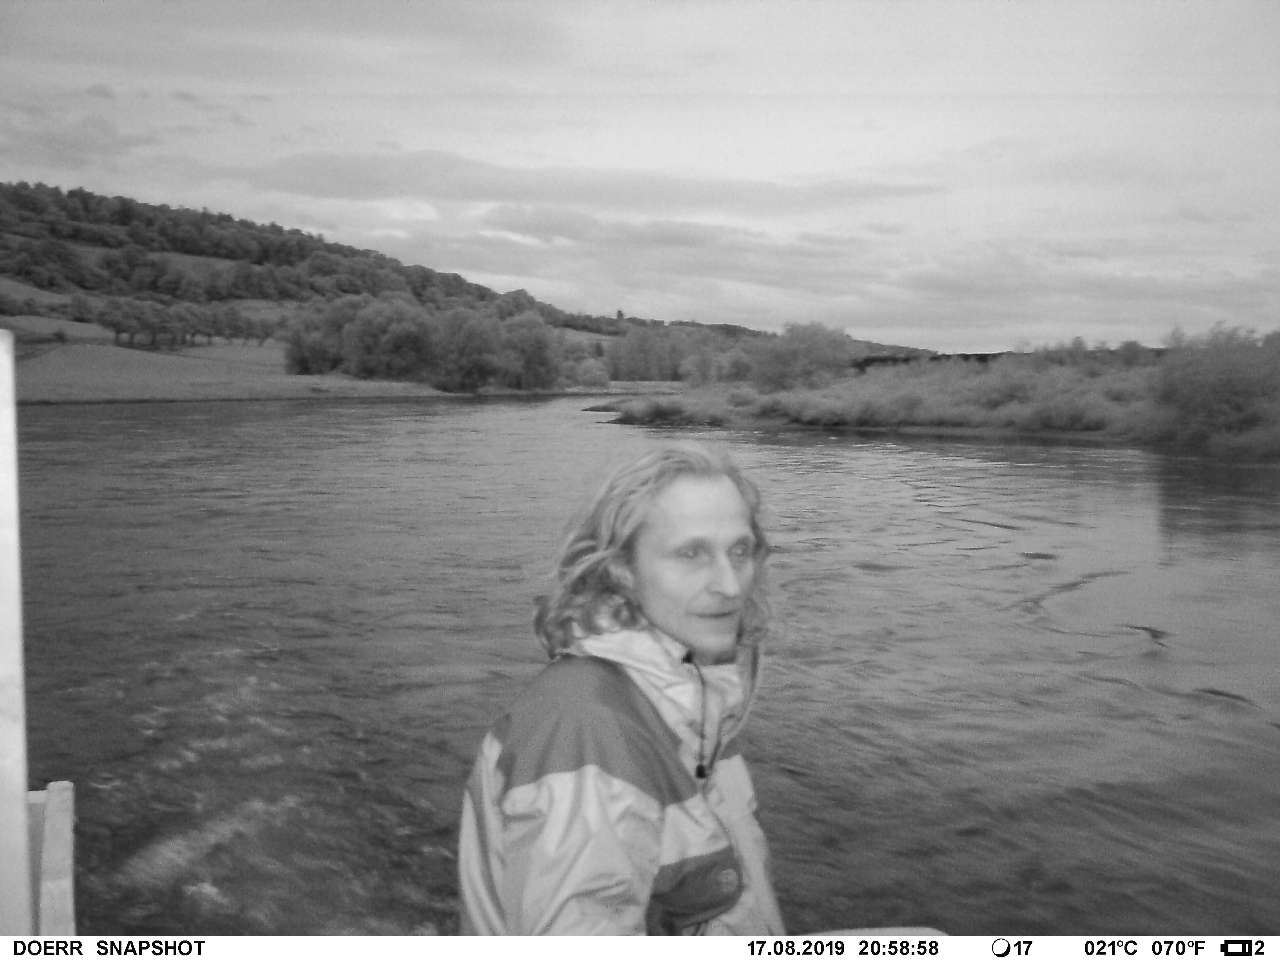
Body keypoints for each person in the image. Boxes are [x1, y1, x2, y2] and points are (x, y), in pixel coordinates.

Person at [457, 442, 786, 935]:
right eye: (691, 554)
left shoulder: (695, 697)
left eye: (739, 551)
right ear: (622, 570)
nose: (731, 585)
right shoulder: (587, 733)